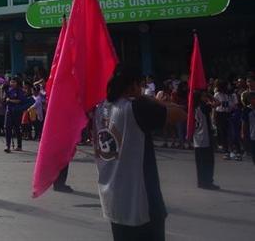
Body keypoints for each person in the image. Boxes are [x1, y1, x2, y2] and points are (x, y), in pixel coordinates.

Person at [93, 71, 173, 241]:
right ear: (132, 87)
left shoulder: (100, 108)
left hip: (113, 196)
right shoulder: (135, 108)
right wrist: (149, 99)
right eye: (140, 85)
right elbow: (180, 114)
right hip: (140, 198)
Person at [192, 89, 219, 190]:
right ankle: (207, 182)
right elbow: (217, 103)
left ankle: (201, 181)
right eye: (204, 96)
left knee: (200, 162)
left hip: (197, 138)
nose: (205, 98)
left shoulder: (194, 107)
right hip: (205, 137)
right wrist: (210, 96)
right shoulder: (204, 107)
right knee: (208, 162)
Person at [3, 77, 29, 153]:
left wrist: (10, 100)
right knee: (7, 128)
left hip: (17, 112)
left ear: (17, 83)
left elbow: (20, 101)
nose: (12, 83)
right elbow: (4, 99)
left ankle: (19, 145)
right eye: (11, 82)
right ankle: (7, 146)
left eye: (14, 82)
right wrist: (5, 97)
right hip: (9, 111)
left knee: (17, 128)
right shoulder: (8, 90)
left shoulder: (19, 91)